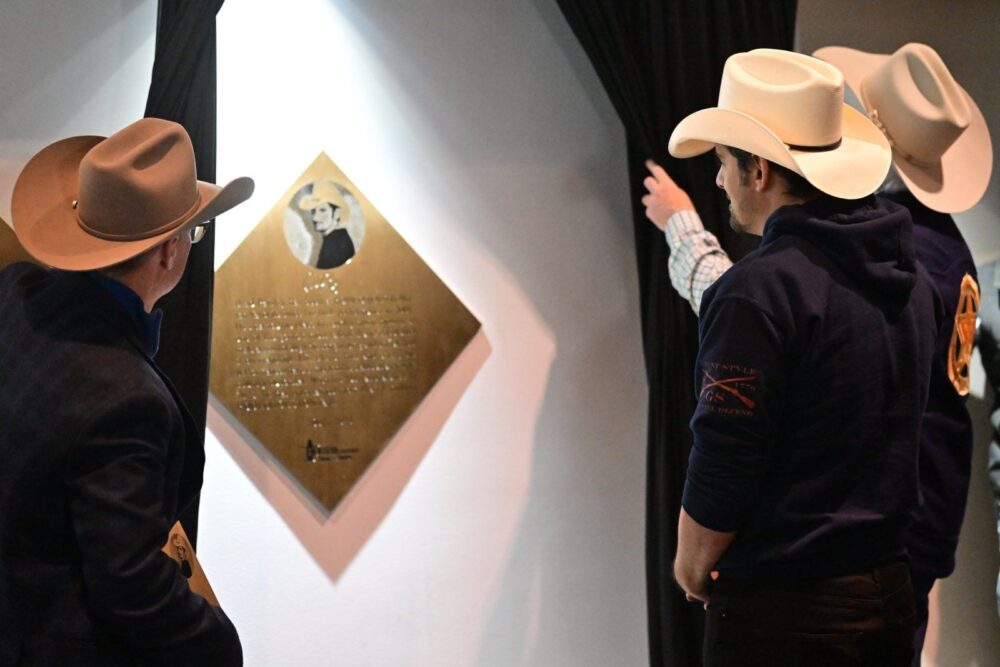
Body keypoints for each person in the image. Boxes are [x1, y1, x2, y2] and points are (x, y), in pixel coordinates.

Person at [645, 43, 992, 663]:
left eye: (723, 161)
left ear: (759, 170)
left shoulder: (758, 291)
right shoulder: (914, 272)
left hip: (789, 607)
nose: (719, 179)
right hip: (884, 580)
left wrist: (691, 566)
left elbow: (724, 458)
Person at [0, 117, 254, 665]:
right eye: (192, 233)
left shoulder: (16, 293)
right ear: (167, 254)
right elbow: (132, 587)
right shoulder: (126, 401)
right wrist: (221, 645)